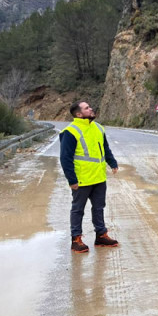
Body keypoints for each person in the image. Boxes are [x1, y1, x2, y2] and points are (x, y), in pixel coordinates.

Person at [59, 100, 119, 253]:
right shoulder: (71, 131)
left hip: (99, 177)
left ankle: (101, 235)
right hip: (82, 179)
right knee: (78, 209)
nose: (91, 109)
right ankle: (76, 239)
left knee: (99, 207)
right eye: (87, 108)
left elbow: (105, 148)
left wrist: (112, 163)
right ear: (79, 114)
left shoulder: (98, 127)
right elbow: (65, 158)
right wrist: (71, 180)